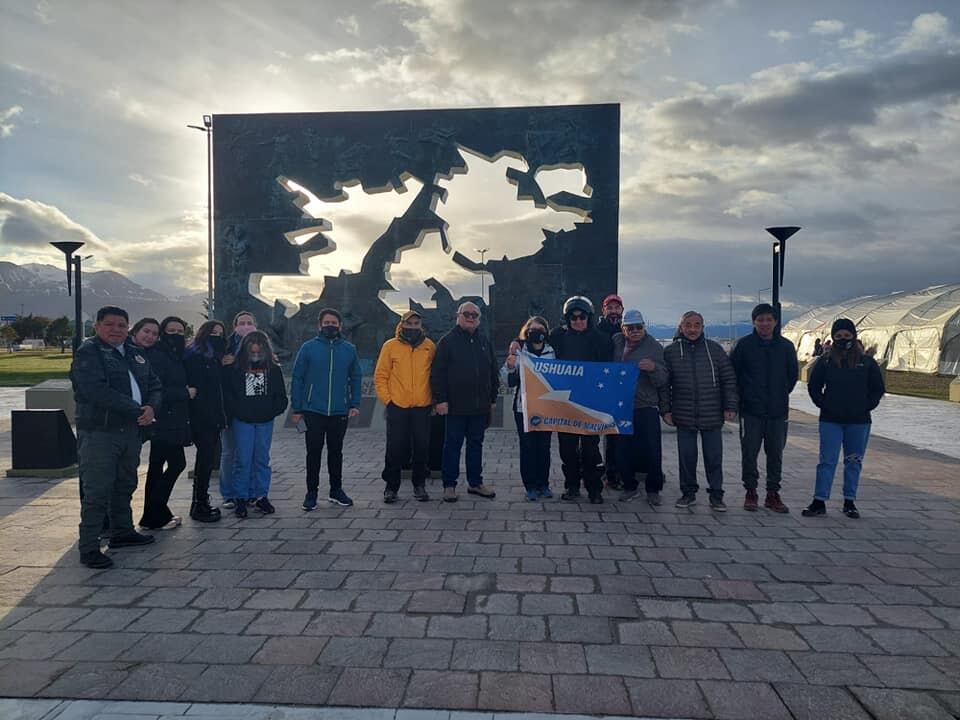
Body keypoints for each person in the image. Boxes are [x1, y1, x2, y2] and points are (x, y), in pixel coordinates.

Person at [70, 306, 162, 569]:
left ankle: (122, 532)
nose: (116, 330)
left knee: (125, 484)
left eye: (121, 325)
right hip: (100, 432)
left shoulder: (135, 353)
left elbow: (155, 384)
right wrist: (137, 409)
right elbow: (95, 390)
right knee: (97, 490)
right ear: (97, 326)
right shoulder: (89, 352)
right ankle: (88, 546)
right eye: (109, 324)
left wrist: (152, 407)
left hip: (130, 432)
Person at [802, 318, 885, 519]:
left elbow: (877, 388)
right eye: (838, 336)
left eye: (847, 336)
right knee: (827, 460)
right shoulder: (826, 361)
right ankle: (819, 500)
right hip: (831, 420)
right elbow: (814, 386)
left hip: (859, 421)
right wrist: (824, 404)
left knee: (853, 461)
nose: (843, 339)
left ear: (854, 336)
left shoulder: (866, 363)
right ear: (833, 338)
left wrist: (866, 406)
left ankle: (849, 501)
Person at [662, 311, 738, 511]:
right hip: (683, 413)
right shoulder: (670, 352)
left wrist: (730, 406)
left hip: (712, 413)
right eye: (688, 325)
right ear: (681, 327)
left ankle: (716, 494)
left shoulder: (714, 350)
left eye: (697, 325)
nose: (693, 329)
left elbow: (728, 379)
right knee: (687, 457)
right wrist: (666, 410)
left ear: (703, 328)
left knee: (713, 457)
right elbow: (664, 385)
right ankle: (688, 493)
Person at [730, 303, 799, 513]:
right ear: (754, 322)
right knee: (749, 453)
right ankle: (750, 491)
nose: (765, 323)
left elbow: (792, 377)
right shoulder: (744, 346)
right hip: (751, 410)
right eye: (760, 320)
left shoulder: (786, 347)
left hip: (777, 411)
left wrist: (778, 395)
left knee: (775, 453)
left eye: (769, 319)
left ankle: (772, 493)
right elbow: (733, 375)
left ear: (775, 322)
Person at [290, 308, 362, 510]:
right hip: (313, 410)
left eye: (334, 322)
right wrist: (297, 409)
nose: (330, 325)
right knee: (313, 452)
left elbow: (355, 377)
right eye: (327, 322)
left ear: (340, 325)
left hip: (339, 411)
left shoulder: (349, 349)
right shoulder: (308, 348)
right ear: (319, 325)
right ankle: (311, 492)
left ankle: (336, 490)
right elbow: (297, 378)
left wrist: (354, 403)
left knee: (336, 452)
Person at [430, 301, 500, 502]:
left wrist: (492, 398)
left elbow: (492, 371)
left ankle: (475, 483)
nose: (471, 317)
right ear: (458, 316)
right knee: (452, 446)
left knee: (475, 445)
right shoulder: (447, 342)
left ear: (479, 319)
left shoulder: (484, 341)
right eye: (467, 313)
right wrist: (440, 400)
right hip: (455, 407)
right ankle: (449, 485)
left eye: (475, 315)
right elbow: (437, 374)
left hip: (479, 407)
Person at [549, 296, 614, 504]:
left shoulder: (602, 340)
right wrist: (517, 344)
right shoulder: (557, 337)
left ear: (589, 317)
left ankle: (594, 488)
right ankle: (572, 486)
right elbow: (534, 343)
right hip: (565, 403)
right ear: (567, 319)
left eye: (582, 317)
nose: (578, 321)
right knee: (567, 449)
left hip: (590, 404)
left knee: (590, 449)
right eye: (573, 317)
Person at [223, 331, 288, 518]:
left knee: (261, 459)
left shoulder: (273, 369)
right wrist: (238, 412)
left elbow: (280, 397)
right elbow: (229, 396)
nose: (256, 349)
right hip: (242, 421)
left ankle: (261, 496)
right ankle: (240, 497)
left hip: (265, 421)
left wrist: (271, 412)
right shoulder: (234, 369)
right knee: (242, 459)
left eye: (259, 345)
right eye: (252, 345)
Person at [374, 309, 436, 504]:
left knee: (421, 447)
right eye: (408, 324)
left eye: (416, 324)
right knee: (395, 448)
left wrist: (434, 401)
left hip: (422, 406)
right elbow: (381, 375)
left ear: (421, 326)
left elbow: (435, 375)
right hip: (398, 406)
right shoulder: (390, 346)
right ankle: (391, 487)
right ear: (402, 325)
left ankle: (419, 485)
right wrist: (388, 401)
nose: (412, 327)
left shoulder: (429, 346)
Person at [138, 316, 194, 530]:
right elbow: (156, 389)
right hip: (165, 420)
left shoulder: (173, 354)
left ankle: (152, 515)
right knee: (177, 463)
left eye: (180, 331)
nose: (176, 335)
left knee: (155, 466)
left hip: (170, 419)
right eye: (171, 331)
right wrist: (185, 393)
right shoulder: (159, 356)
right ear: (164, 332)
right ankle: (156, 510)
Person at [611, 310, 668, 505]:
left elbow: (663, 379)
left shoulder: (654, 347)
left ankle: (653, 489)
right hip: (621, 405)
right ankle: (629, 486)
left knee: (652, 449)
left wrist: (653, 368)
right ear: (623, 328)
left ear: (644, 327)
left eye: (639, 327)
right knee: (623, 450)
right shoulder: (615, 341)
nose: (635, 331)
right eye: (631, 327)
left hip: (646, 406)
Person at [502, 316, 555, 501]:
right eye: (532, 329)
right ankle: (530, 486)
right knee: (528, 447)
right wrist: (510, 367)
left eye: (540, 329)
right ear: (526, 332)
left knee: (544, 448)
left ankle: (544, 484)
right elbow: (508, 381)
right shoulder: (518, 351)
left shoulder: (552, 351)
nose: (537, 332)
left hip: (546, 407)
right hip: (523, 408)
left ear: (546, 332)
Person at [183, 320, 226, 522]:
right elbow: (199, 388)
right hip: (202, 416)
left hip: (213, 415)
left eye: (220, 333)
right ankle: (199, 504)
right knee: (205, 459)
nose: (217, 336)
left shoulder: (214, 356)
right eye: (213, 333)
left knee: (206, 460)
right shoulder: (196, 355)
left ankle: (201, 501)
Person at [219, 310, 258, 509]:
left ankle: (249, 491)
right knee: (229, 452)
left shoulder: (259, 346)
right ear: (235, 326)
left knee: (248, 452)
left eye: (249, 322)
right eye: (241, 322)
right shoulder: (225, 346)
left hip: (250, 408)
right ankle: (228, 493)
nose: (245, 325)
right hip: (228, 407)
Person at [596, 294, 624, 491]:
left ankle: (614, 473)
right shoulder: (596, 332)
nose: (614, 311)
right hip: (599, 387)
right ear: (603, 310)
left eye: (617, 308)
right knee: (591, 433)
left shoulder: (627, 331)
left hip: (620, 390)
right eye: (610, 308)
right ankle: (591, 470)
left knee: (616, 435)